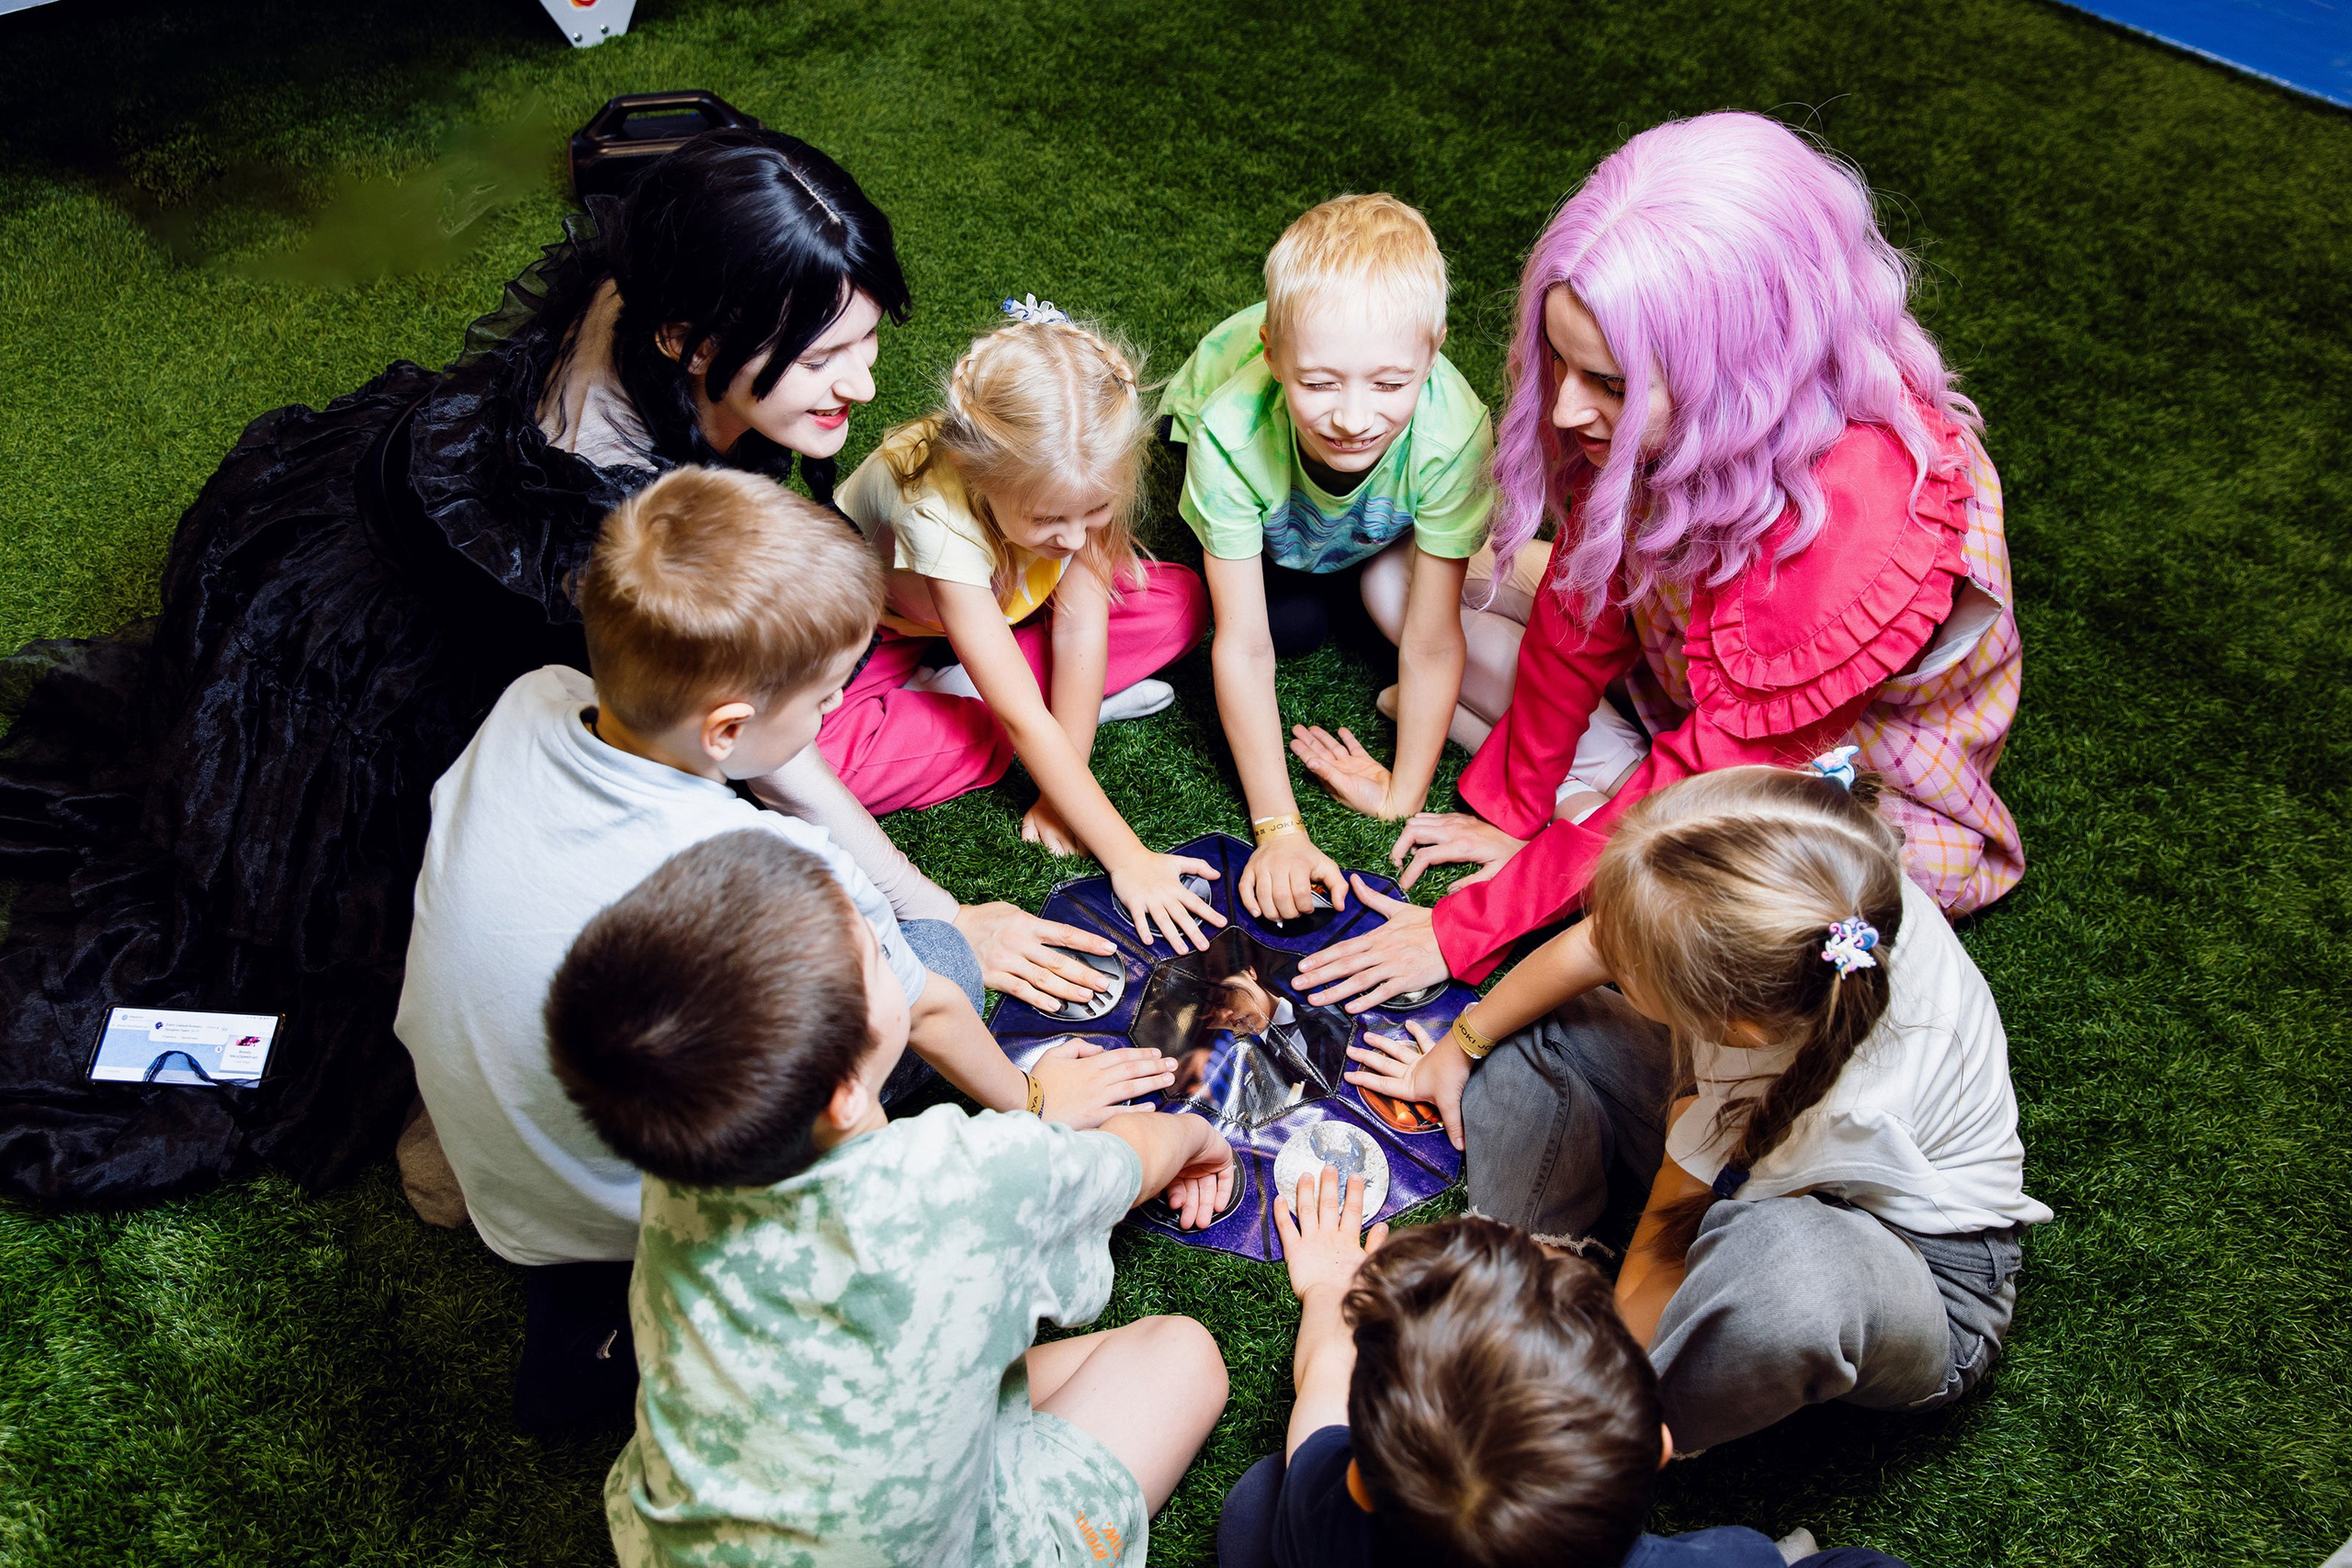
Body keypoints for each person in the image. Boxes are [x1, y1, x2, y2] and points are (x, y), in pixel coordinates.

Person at [0, 127, 1111, 1206]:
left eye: (867, 342)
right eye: (825, 360)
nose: (865, 387)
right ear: (685, 341)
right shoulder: (600, 535)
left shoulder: (678, 268)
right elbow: (775, 756)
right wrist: (937, 910)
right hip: (403, 663)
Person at [395, 466, 1174, 1432]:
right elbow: (926, 1003)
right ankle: (662, 1300)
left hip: (514, 1174)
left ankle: (583, 1296)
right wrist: (1037, 1101)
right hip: (660, 1193)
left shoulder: (534, 700)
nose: (831, 717)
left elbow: (781, 766)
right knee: (942, 963)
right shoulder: (768, 872)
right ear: (727, 726)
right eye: (827, 699)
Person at [1292, 112, 2025, 1011]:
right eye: (1560, 364)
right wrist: (1508, 808)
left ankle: (1589, 819)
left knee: (1744, 926)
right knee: (1399, 580)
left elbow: (1706, 783)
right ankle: (1576, 811)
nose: (1563, 412)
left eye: (1606, 385)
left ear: (1738, 375)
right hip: (1677, 683)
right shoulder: (1659, 417)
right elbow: (1582, 595)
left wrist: (1463, 929)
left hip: (1823, 787)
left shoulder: (1863, 525)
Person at [547, 828, 1236, 1566]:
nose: (899, 955)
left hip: (693, 1537)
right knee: (1183, 1354)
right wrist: (1196, 1140)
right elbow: (1127, 1161)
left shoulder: (676, 1163)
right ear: (845, 1093)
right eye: (879, 954)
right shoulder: (965, 1179)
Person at [1345, 763, 2050, 1453]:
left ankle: (1613, 1422)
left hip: (1919, 1272)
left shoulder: (1822, 1096)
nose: (1608, 954)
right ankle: (1536, 1263)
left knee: (1783, 1275)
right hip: (1760, 1124)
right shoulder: (1805, 880)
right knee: (1534, 1021)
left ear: (1729, 1026)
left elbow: (1669, 1225)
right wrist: (1462, 1045)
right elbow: (1602, 942)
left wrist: (1595, 1386)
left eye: (1632, 970)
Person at [1165, 194, 1540, 929]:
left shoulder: (1455, 432)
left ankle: (1346, 552)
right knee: (1284, 623)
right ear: (1273, 355)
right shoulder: (1228, 433)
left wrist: (1403, 792)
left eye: (1390, 384)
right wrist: (1279, 827)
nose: (1353, 417)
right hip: (1240, 478)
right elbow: (1242, 645)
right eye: (1319, 382)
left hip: (1360, 513)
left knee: (1357, 604)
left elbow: (1432, 640)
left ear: (1430, 358)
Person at [1217, 1182, 1915, 1568]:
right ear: (1658, 1447)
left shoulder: (1330, 1520)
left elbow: (1321, 1392)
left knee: (1259, 1505)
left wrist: (1330, 1289)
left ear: (1360, 1479)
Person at [822, 301, 1222, 949]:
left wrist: (1066, 782)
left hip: (1006, 606)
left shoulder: (1086, 457)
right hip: (880, 634)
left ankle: (1023, 703)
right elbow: (1021, 720)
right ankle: (973, 691)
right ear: (984, 479)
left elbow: (1081, 624)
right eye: (1046, 521)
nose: (1071, 539)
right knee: (830, 763)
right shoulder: (938, 512)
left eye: (1092, 512)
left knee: (1181, 603)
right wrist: (1128, 856)